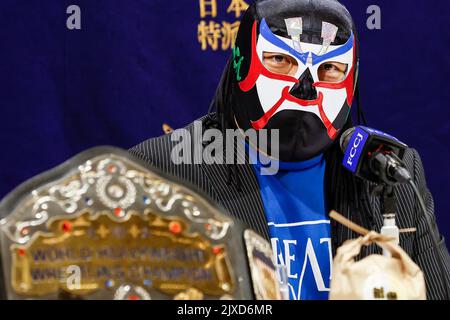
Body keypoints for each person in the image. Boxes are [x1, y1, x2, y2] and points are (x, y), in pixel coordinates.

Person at [130, 0, 450, 300]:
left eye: (330, 69)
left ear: (350, 80)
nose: (305, 88)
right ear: (242, 63)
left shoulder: (387, 167)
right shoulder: (162, 170)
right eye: (281, 60)